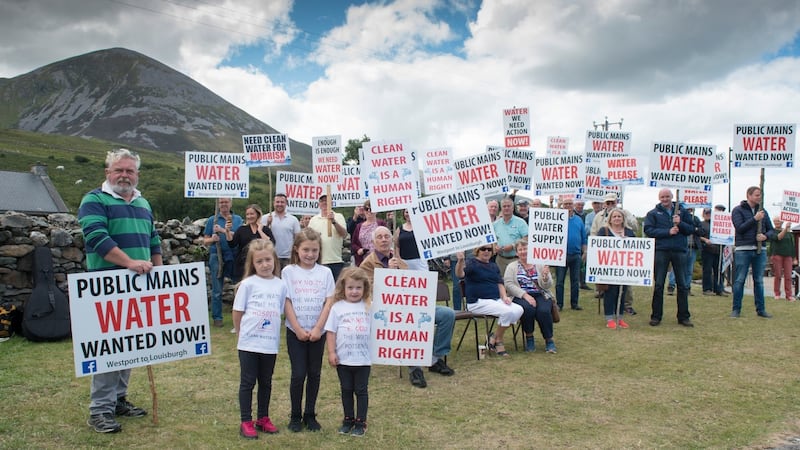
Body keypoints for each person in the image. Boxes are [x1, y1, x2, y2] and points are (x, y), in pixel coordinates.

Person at [79, 148, 163, 434]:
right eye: (119, 170)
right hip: (106, 288)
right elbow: (95, 237)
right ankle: (99, 410)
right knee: (108, 349)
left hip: (138, 287)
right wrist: (129, 263)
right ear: (108, 172)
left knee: (131, 345)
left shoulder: (143, 203)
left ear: (137, 175)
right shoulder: (94, 200)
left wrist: (160, 275)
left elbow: (153, 240)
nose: (125, 175)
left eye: (130, 171)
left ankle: (118, 400)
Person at [360, 226, 455, 388]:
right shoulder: (367, 265)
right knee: (408, 323)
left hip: (410, 305)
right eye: (380, 237)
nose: (384, 239)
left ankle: (434, 357)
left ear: (391, 240)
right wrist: (388, 273)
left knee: (447, 314)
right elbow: (367, 290)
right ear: (374, 242)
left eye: (386, 236)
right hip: (387, 311)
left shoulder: (400, 261)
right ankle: (415, 367)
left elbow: (410, 286)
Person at [281, 228, 334, 432]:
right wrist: (297, 328)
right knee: (298, 374)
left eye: (314, 250)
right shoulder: (288, 272)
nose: (310, 254)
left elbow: (329, 301)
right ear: (297, 249)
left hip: (317, 332)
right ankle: (295, 415)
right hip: (296, 332)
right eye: (306, 250)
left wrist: (319, 328)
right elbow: (286, 301)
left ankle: (310, 414)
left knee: (314, 373)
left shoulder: (325, 272)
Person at [232, 239, 285, 439]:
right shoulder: (247, 285)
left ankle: (263, 418)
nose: (265, 265)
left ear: (274, 260)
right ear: (253, 264)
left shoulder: (280, 285)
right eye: (259, 261)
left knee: (266, 382)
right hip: (249, 342)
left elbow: (279, 310)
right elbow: (238, 312)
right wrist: (240, 334)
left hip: (269, 344)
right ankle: (246, 420)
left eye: (268, 260)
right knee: (247, 382)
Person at [324, 267, 372, 437]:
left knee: (361, 390)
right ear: (343, 288)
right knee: (346, 389)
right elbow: (331, 331)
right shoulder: (337, 308)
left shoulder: (369, 307)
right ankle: (348, 419)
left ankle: (361, 422)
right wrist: (331, 352)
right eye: (350, 287)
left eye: (358, 288)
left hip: (363, 360)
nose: (354, 291)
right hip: (343, 360)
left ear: (365, 288)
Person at [455, 245, 524, 357]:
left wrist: (505, 297)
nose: (486, 251)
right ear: (477, 250)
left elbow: (499, 283)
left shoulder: (493, 265)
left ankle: (494, 337)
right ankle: (499, 341)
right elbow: (460, 274)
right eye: (483, 249)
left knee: (519, 309)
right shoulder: (471, 263)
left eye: (489, 249)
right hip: (477, 302)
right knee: (507, 312)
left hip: (495, 300)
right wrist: (460, 260)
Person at [643, 188, 695, 327]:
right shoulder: (653, 213)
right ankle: (656, 316)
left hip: (679, 251)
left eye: (667, 196)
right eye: (662, 197)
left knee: (682, 285)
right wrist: (667, 231)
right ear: (659, 198)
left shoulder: (682, 212)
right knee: (659, 284)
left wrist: (680, 223)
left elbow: (691, 229)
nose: (665, 199)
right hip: (662, 251)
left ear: (672, 197)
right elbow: (648, 230)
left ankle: (684, 316)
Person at [503, 239, 558, 353]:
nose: (523, 252)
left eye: (525, 249)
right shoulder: (512, 266)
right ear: (516, 253)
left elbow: (548, 285)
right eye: (520, 249)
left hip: (540, 293)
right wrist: (524, 295)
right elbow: (508, 284)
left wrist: (545, 277)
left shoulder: (540, 264)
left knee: (543, 311)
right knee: (528, 309)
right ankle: (529, 338)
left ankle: (549, 340)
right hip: (520, 295)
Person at [730, 186, 777, 318]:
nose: (759, 197)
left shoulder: (763, 212)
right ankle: (736, 309)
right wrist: (755, 219)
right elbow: (740, 228)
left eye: (760, 195)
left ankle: (761, 309)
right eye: (756, 195)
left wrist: (765, 236)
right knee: (739, 280)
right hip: (743, 249)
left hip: (759, 250)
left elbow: (771, 230)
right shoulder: (737, 210)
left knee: (759, 281)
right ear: (749, 196)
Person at [204, 198, 244, 327]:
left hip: (234, 255)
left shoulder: (237, 219)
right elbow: (205, 240)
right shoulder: (212, 220)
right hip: (217, 255)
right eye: (221, 202)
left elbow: (239, 237)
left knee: (238, 288)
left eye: (226, 202)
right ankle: (217, 318)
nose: (224, 204)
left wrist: (222, 230)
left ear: (231, 203)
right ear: (218, 204)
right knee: (217, 289)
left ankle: (238, 318)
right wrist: (212, 239)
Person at [597, 209, 636, 329]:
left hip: (624, 267)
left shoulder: (629, 232)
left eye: (619, 216)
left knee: (622, 291)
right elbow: (598, 246)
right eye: (614, 216)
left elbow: (635, 248)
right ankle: (609, 318)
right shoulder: (604, 231)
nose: (617, 218)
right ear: (610, 218)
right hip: (608, 267)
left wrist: (627, 241)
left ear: (623, 218)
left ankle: (620, 318)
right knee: (610, 291)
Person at [227, 204, 275, 283]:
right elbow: (232, 244)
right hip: (243, 265)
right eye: (247, 214)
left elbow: (271, 244)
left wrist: (260, 231)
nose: (249, 216)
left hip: (260, 265)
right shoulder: (241, 229)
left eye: (252, 214)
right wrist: (227, 232)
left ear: (257, 214)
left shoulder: (265, 229)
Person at [554, 197, 587, 311]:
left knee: (575, 281)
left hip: (576, 254)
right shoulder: (557, 219)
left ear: (573, 205)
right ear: (563, 206)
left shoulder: (579, 220)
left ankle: (574, 303)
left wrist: (585, 251)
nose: (568, 206)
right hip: (560, 255)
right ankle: (559, 304)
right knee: (559, 281)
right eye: (566, 204)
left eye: (570, 204)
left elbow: (583, 237)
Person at [307, 194, 348, 280]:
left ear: (332, 203)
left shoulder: (339, 216)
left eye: (327, 201)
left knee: (336, 288)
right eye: (322, 201)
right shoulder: (314, 220)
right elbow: (308, 239)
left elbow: (344, 234)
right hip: (318, 260)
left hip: (335, 260)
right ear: (319, 204)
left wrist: (333, 221)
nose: (325, 203)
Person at [261, 193, 300, 270]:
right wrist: (268, 224)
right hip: (270, 255)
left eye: (282, 202)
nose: (279, 204)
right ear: (273, 203)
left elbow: (297, 239)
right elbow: (260, 236)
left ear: (286, 203)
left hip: (288, 257)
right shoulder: (265, 218)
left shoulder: (293, 219)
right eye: (277, 202)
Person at [668, 208, 702, 296]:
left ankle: (687, 287)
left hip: (693, 247)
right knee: (676, 267)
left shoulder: (696, 219)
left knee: (689, 269)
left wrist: (694, 229)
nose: (689, 210)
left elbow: (701, 231)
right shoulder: (677, 217)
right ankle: (671, 286)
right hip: (681, 246)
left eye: (691, 208)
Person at [493, 196, 529, 275]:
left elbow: (527, 238)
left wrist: (513, 246)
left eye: (508, 206)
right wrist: (495, 246)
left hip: (515, 259)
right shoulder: (495, 224)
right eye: (504, 206)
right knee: (501, 282)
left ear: (513, 208)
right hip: (500, 260)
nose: (506, 208)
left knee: (515, 283)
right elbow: (493, 239)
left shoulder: (521, 222)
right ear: (501, 208)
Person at [699, 208, 727, 296]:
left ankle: (719, 289)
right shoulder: (701, 224)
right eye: (706, 213)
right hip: (707, 249)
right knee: (707, 270)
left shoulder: (717, 223)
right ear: (703, 214)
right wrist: (705, 240)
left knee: (718, 270)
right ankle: (707, 289)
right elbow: (697, 236)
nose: (708, 215)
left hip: (718, 250)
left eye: (709, 213)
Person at [351, 200, 386, 267]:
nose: (369, 211)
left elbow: (387, 239)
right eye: (367, 209)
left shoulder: (381, 224)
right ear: (364, 211)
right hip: (363, 260)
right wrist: (358, 249)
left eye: (371, 209)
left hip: (379, 259)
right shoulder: (359, 226)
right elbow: (353, 243)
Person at [769, 217, 795, 301]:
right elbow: (778, 238)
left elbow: (792, 244)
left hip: (788, 255)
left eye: (778, 221)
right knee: (778, 275)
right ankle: (777, 293)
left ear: (782, 222)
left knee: (788, 276)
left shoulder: (789, 233)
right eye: (775, 221)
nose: (776, 222)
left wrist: (794, 257)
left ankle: (789, 295)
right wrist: (785, 229)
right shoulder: (772, 231)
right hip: (777, 255)